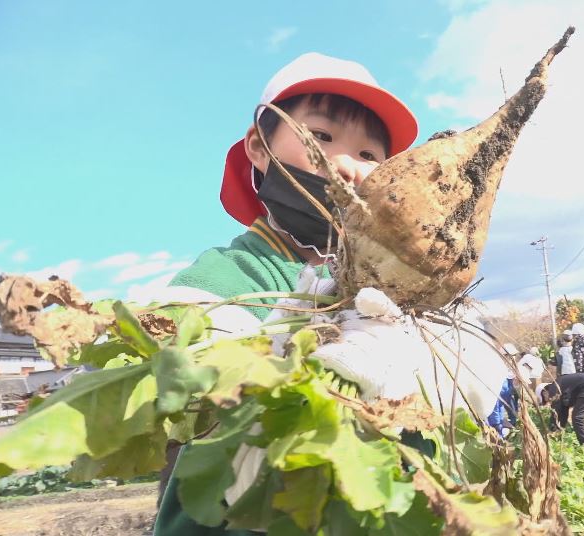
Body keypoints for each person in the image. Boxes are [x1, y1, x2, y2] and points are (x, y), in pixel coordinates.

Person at [153, 52, 422, 535]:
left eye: (368, 155)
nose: (347, 167)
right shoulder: (226, 279)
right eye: (321, 137)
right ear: (259, 148)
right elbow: (189, 402)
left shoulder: (384, 293)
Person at [536, 373, 584, 446]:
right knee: (577, 417)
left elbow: (556, 413)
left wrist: (552, 430)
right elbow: (563, 412)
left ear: (544, 392)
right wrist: (560, 429)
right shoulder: (560, 386)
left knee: (578, 418)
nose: (548, 401)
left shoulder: (553, 389)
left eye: (545, 400)